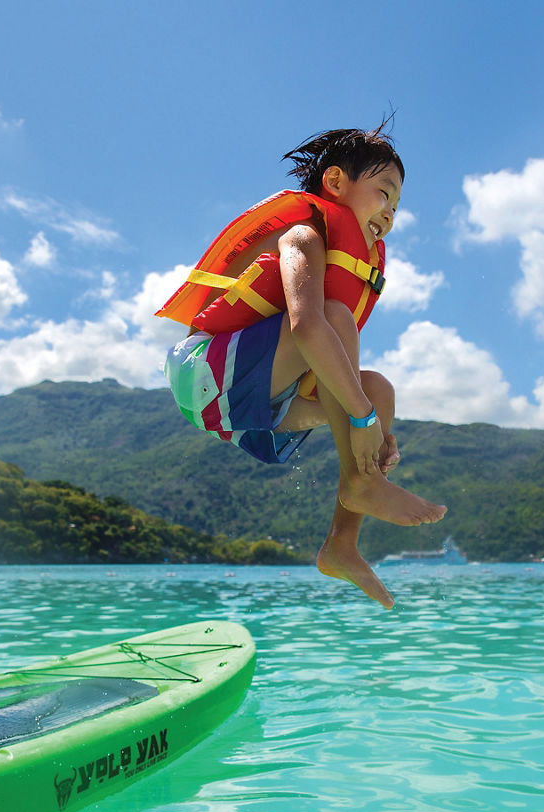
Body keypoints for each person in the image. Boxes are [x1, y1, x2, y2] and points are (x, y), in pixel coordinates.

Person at [156, 126, 446, 608]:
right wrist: (361, 421)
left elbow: (334, 365)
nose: (391, 213)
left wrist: (370, 417)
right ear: (335, 182)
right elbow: (308, 327)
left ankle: (341, 543)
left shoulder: (348, 254)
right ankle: (362, 480)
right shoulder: (303, 235)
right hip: (204, 374)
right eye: (384, 193)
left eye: (398, 206)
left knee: (378, 389)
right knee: (333, 322)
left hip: (256, 403)